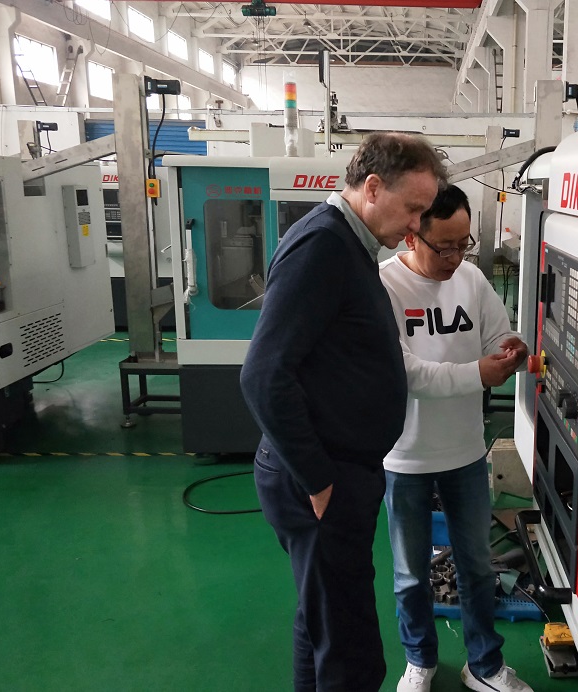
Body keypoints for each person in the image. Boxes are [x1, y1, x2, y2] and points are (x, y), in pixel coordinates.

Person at [240, 132, 448, 692]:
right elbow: (263, 374)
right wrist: (318, 478)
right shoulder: (324, 247)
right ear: (373, 188)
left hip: (339, 471)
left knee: (323, 621)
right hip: (321, 477)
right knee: (350, 647)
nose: (417, 227)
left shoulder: (348, 243)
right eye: (413, 208)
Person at [379, 184, 532, 692]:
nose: (454, 257)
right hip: (405, 455)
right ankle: (419, 661)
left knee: (477, 568)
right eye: (443, 246)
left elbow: (496, 337)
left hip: (466, 452)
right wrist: (478, 374)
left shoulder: (471, 278)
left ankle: (484, 666)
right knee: (410, 574)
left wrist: (509, 350)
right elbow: (405, 372)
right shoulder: (384, 287)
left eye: (463, 244)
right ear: (411, 234)